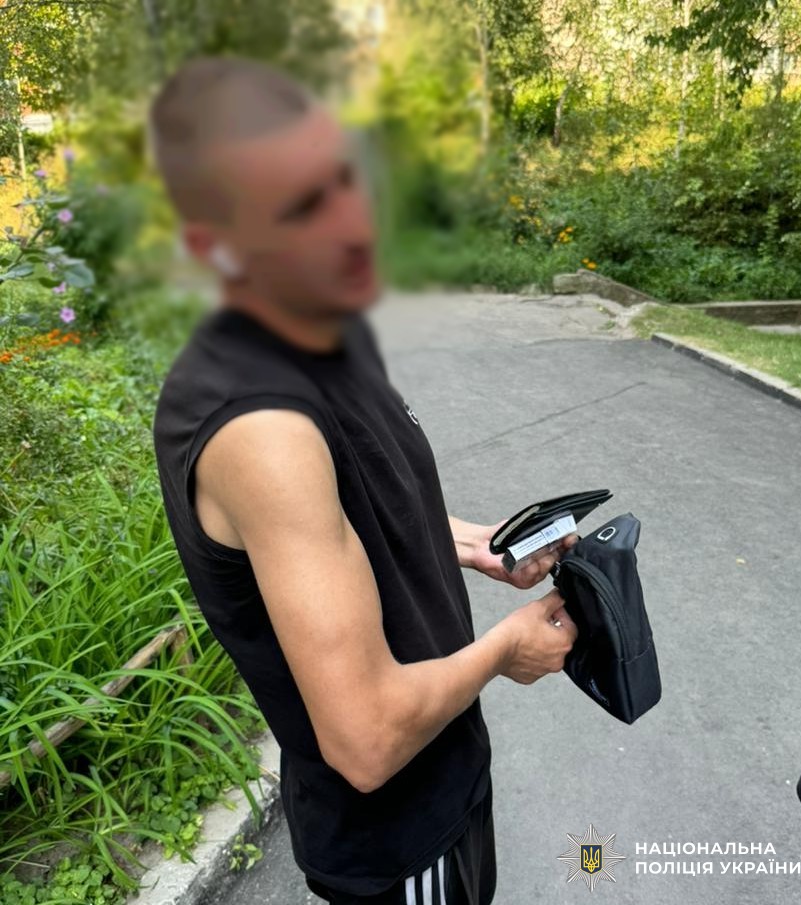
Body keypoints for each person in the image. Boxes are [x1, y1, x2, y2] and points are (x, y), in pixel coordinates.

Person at [149, 56, 579, 905]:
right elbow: (368, 737)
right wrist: (505, 649)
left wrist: (476, 545)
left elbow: (361, 508)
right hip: (397, 837)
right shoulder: (259, 429)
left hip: (450, 774)